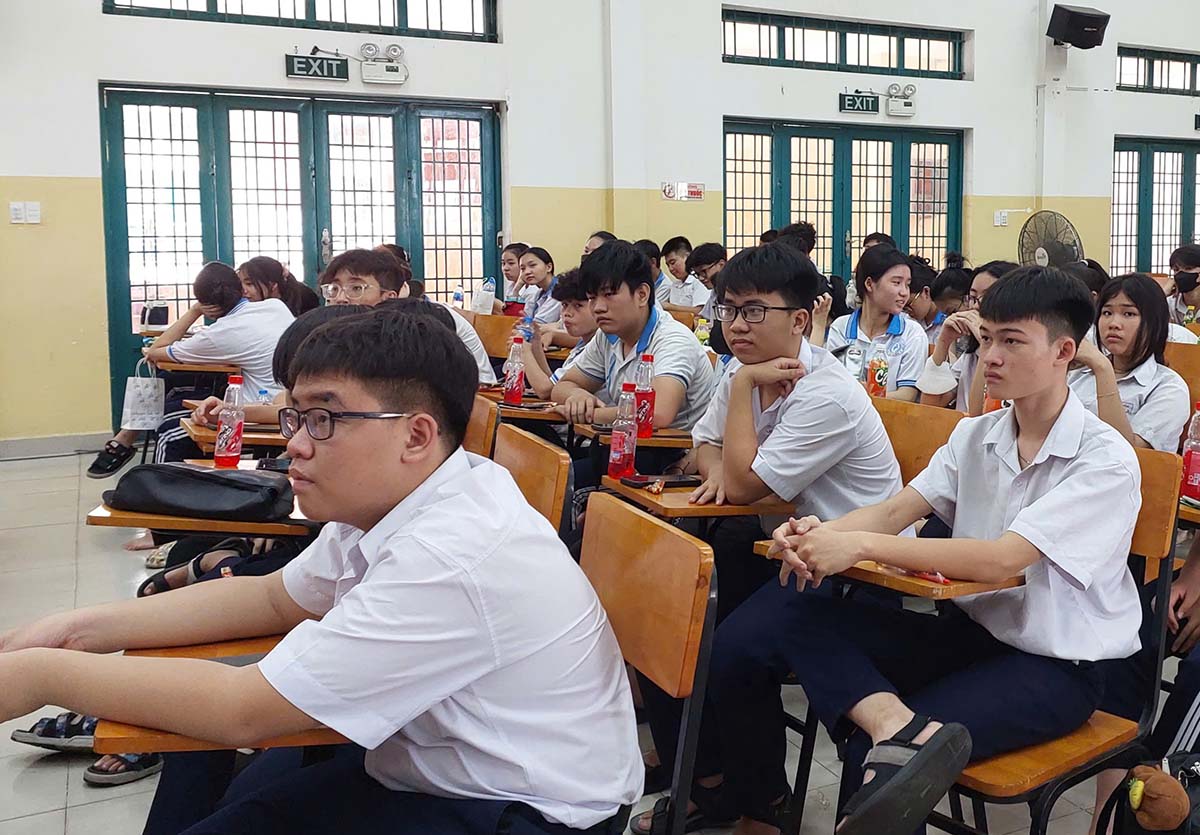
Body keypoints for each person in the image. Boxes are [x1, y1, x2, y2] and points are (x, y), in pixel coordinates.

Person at [0, 311, 643, 835]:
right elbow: (273, 598)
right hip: (430, 764)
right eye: (296, 416)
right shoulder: (396, 496)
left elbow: (244, 711)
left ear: (417, 436)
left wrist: (40, 675)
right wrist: (77, 628)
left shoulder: (451, 555)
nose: (295, 444)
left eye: (324, 419)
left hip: (519, 808)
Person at [708, 266, 1142, 835]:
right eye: (987, 338)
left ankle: (893, 735)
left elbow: (1002, 559)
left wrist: (856, 543)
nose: (991, 357)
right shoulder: (975, 434)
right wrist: (818, 535)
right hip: (966, 637)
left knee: (884, 761)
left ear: (1064, 351)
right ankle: (893, 721)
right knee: (795, 611)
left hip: (1056, 668)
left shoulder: (1104, 458)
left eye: (1012, 342)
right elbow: (895, 511)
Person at [628, 244, 905, 835]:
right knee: (662, 612)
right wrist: (728, 449)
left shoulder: (825, 392)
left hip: (850, 565)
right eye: (728, 310)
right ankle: (706, 780)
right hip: (778, 545)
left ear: (800, 319)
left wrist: (737, 409)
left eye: (754, 311)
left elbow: (744, 485)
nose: (736, 325)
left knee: (733, 650)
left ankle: (764, 804)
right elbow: (706, 449)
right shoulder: (743, 368)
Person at [87, 262, 296, 480]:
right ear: (240, 289)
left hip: (260, 409)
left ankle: (156, 485)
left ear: (207, 304)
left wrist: (195, 310)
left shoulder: (222, 333)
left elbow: (154, 351)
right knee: (170, 388)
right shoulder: (276, 306)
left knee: (168, 430)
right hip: (284, 401)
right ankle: (127, 440)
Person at [550, 240, 713, 479]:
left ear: (642, 294)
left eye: (609, 294)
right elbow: (562, 386)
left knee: (561, 481)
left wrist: (591, 414)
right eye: (592, 298)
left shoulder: (672, 339)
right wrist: (578, 397)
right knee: (545, 469)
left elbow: (657, 413)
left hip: (673, 464)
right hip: (625, 449)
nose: (598, 307)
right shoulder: (608, 336)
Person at [321, 248, 496, 384]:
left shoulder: (418, 323)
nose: (341, 298)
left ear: (389, 297)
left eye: (356, 288)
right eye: (334, 288)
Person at [1068, 273, 1190, 452]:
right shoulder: (1078, 376)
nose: (1114, 323)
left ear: (1154, 323)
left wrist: (1102, 368)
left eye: (1129, 314)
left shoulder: (1169, 388)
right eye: (1107, 313)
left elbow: (1124, 453)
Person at [817, 245, 927, 402]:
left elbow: (907, 395)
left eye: (907, 284)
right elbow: (833, 385)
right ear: (869, 284)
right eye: (896, 282)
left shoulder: (912, 333)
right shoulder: (841, 328)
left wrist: (864, 395)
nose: (904, 292)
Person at [917, 260, 1020, 413]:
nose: (976, 306)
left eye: (987, 297)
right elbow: (930, 405)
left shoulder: (1019, 356)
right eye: (972, 297)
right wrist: (943, 342)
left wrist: (987, 343)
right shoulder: (970, 355)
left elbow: (978, 414)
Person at [521, 269, 602, 401]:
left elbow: (545, 391)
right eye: (564, 305)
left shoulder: (597, 345)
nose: (567, 313)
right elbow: (554, 384)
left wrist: (523, 351)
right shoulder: (583, 342)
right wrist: (535, 343)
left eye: (578, 306)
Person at [238, 256, 320, 316]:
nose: (243, 290)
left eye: (249, 284)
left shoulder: (303, 301)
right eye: (240, 283)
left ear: (273, 285)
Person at [903, 255, 946, 344]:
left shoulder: (946, 321)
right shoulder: (907, 322)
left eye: (909, 305)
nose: (907, 312)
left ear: (926, 292)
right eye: (903, 308)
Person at [518, 247, 563, 326]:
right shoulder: (539, 293)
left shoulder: (559, 290)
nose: (527, 272)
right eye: (523, 268)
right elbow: (524, 320)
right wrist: (517, 287)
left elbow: (538, 325)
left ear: (549, 267)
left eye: (532, 265)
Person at [684, 243, 728, 320]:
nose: (701, 278)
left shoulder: (737, 291)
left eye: (704, 271)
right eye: (697, 274)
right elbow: (704, 317)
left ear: (721, 264)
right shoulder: (715, 292)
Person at [496, 241, 532, 315]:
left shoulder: (532, 290)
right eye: (503, 263)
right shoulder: (511, 287)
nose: (505, 268)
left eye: (511, 263)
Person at [633, 238, 672, 306]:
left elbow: (649, 307)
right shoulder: (638, 280)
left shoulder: (666, 286)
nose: (636, 268)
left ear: (653, 262)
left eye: (639, 264)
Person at [1168, 244, 1200, 325]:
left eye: (1188, 268)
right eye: (1176, 269)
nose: (1181, 274)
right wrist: (1163, 293)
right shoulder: (1169, 304)